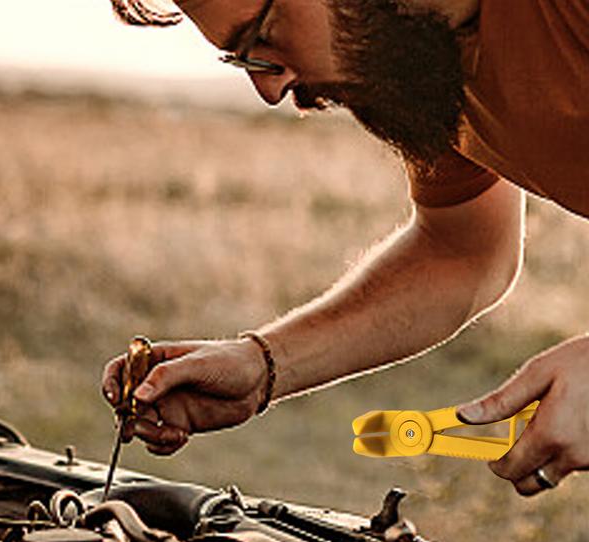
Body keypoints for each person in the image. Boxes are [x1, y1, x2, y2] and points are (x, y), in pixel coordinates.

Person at [102, 0, 589, 496]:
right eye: (245, 60)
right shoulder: (427, 59)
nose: (270, 89)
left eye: (264, 34)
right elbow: (462, 251)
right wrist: (262, 365)